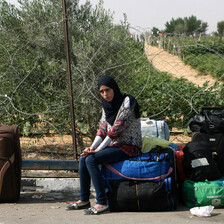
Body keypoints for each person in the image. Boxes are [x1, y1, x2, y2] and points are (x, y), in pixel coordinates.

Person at [66, 76, 142, 214]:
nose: (105, 94)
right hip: (114, 145)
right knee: (84, 158)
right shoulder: (106, 106)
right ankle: (84, 199)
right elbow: (102, 129)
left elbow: (115, 130)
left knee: (92, 159)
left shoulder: (127, 102)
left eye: (107, 90)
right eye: (101, 92)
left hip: (129, 146)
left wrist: (97, 151)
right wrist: (92, 148)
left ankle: (102, 202)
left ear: (114, 88)